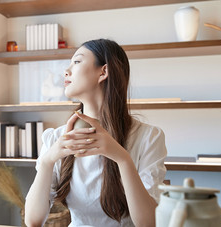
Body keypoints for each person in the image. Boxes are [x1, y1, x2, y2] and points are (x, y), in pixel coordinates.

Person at [25, 39, 167, 227]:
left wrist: (122, 159)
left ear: (103, 72)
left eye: (76, 62)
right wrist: (47, 161)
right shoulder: (56, 139)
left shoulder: (148, 137)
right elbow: (33, 221)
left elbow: (148, 223)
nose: (66, 71)